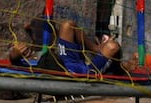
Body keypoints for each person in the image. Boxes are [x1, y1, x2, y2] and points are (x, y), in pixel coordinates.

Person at [10, 19, 138, 75]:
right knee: (112, 46)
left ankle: (95, 48)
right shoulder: (28, 61)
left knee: (67, 25)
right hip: (81, 72)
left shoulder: (40, 50)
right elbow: (14, 63)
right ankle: (121, 69)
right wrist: (14, 55)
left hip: (64, 58)